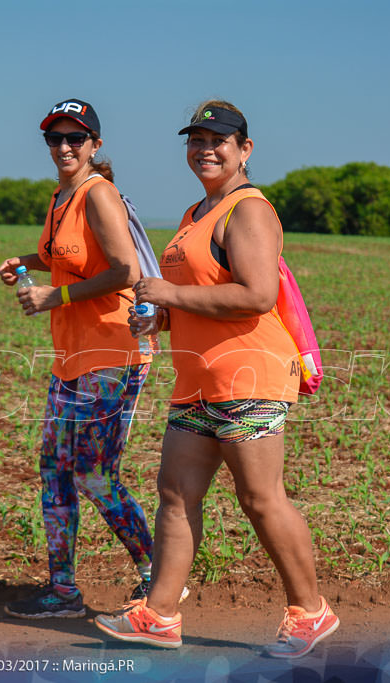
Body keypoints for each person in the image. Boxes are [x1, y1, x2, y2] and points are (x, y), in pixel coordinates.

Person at [95, 101, 339, 658]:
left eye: (218, 140)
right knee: (176, 495)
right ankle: (158, 616)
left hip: (248, 374)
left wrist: (172, 296)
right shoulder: (196, 212)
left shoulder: (249, 211)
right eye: (196, 139)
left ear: (245, 149)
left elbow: (255, 295)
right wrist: (164, 314)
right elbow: (200, 292)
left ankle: (311, 611)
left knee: (260, 499)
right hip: (199, 378)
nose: (205, 149)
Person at [0, 98, 154, 618]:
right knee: (55, 471)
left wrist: (53, 297)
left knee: (92, 474)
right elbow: (64, 253)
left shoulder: (98, 193)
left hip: (112, 353)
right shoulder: (61, 196)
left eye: (75, 138)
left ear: (95, 145)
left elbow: (124, 272)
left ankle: (157, 577)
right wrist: (26, 260)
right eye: (54, 139)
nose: (63, 147)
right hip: (72, 358)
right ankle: (63, 592)